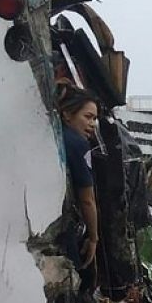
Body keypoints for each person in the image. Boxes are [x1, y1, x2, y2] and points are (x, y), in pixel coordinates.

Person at [57, 84, 100, 279]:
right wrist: (93, 238)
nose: (93, 124)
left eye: (95, 118)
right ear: (67, 114)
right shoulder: (78, 143)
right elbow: (87, 199)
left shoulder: (53, 138)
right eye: (88, 117)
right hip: (62, 232)